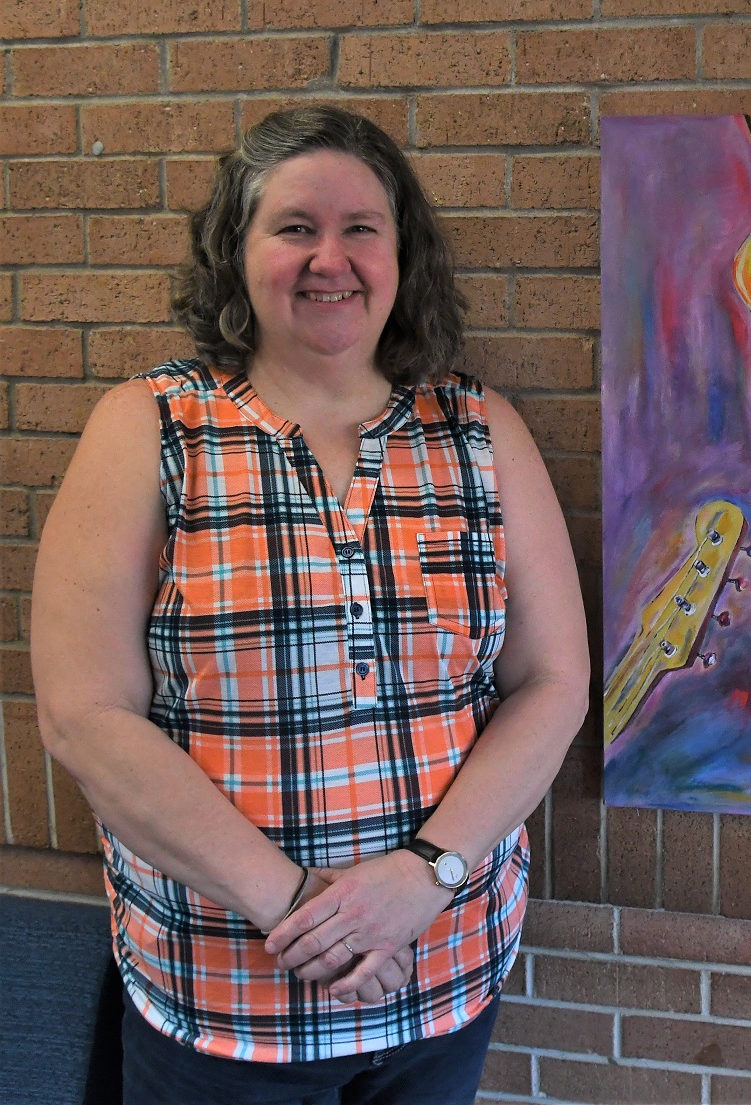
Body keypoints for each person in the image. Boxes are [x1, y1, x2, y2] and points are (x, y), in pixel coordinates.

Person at [32, 106, 591, 1104]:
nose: (330, 258)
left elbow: (553, 682)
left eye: (360, 228)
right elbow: (84, 715)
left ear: (401, 255)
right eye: (295, 227)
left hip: (442, 981)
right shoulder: (148, 427)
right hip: (219, 1002)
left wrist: (425, 874)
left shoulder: (480, 430)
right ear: (236, 252)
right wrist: (303, 909)